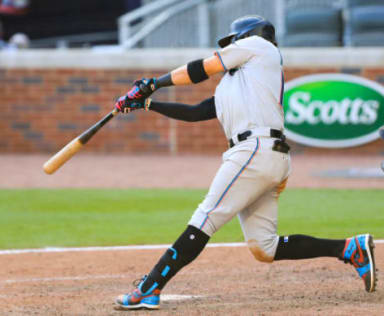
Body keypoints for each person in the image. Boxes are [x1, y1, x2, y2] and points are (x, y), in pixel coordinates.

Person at [113, 15, 377, 310]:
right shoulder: (239, 81)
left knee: (206, 218)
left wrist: (154, 84)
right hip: (266, 156)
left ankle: (150, 288)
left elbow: (202, 68)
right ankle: (348, 248)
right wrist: (148, 103)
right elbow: (196, 112)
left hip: (254, 150)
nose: (230, 47)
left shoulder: (260, 46)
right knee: (265, 247)